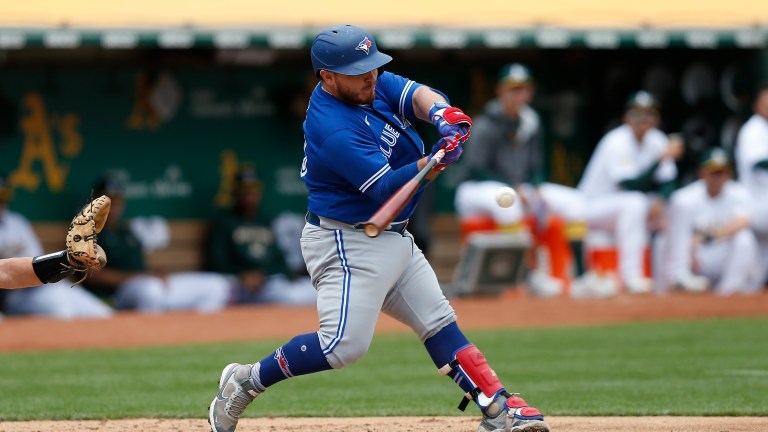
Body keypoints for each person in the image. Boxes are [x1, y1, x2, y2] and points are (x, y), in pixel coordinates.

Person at [208, 25, 550, 432]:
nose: (371, 76)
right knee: (343, 347)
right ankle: (245, 381)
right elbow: (388, 189)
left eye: (372, 66)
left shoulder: (367, 81)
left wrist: (442, 114)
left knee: (439, 322)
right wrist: (436, 158)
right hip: (347, 239)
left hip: (393, 237)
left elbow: (418, 94)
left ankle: (497, 408)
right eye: (359, 71)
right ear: (328, 77)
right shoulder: (331, 127)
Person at [453, 63, 587, 296]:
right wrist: (514, 186)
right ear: (500, 91)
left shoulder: (531, 121)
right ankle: (528, 275)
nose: (518, 94)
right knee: (510, 203)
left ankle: (583, 278)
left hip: (516, 188)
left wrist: (536, 188)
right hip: (475, 190)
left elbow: (536, 165)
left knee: (574, 201)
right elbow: (475, 168)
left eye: (522, 88)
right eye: (512, 88)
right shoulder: (486, 122)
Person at [577, 91, 683, 294]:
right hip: (592, 208)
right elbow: (631, 184)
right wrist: (659, 160)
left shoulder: (657, 139)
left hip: (624, 209)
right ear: (627, 117)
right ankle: (630, 277)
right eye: (638, 114)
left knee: (677, 203)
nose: (643, 119)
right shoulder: (616, 141)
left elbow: (669, 180)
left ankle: (676, 275)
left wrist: (662, 199)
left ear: (656, 118)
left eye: (649, 114)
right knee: (635, 202)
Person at [84, 175, 230, 313]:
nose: (112, 205)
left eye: (116, 199)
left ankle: (196, 335)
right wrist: (138, 277)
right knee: (151, 290)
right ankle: (149, 335)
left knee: (216, 286)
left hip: (145, 284)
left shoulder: (126, 231)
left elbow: (139, 265)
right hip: (118, 294)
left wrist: (155, 272)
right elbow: (92, 275)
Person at [0, 175, 112, 318]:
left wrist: (69, 259)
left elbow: (8, 272)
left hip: (35, 286)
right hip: (12, 297)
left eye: (3, 196)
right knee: (60, 310)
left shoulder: (17, 223)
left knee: (101, 314)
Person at [206, 165, 316, 305]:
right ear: (236, 192)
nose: (250, 195)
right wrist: (242, 275)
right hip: (239, 284)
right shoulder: (225, 222)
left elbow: (279, 260)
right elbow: (216, 263)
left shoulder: (264, 221)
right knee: (292, 297)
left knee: (312, 292)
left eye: (253, 190)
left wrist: (267, 274)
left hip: (268, 282)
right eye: (245, 190)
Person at [662, 147, 761, 295]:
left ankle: (726, 293)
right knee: (663, 240)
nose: (718, 176)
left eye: (722, 171)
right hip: (697, 259)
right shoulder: (684, 198)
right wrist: (691, 248)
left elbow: (744, 221)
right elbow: (672, 233)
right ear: (701, 172)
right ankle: (679, 279)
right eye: (713, 171)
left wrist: (708, 236)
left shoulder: (739, 193)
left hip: (723, 258)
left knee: (745, 239)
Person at [734, 83, 768, 288]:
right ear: (756, 106)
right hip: (755, 200)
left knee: (760, 265)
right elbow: (758, 162)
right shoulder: (753, 129)